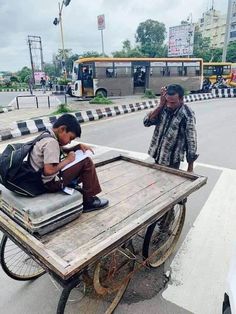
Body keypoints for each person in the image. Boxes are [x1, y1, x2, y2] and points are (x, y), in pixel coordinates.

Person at [29, 114, 109, 212]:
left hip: (39, 180)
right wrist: (68, 160)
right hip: (49, 184)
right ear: (62, 129)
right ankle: (88, 201)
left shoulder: (47, 135)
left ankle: (74, 186)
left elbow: (59, 151)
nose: (70, 142)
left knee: (79, 161)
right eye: (70, 138)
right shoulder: (51, 143)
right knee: (87, 162)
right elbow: (48, 171)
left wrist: (76, 147)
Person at [143, 84, 198, 172]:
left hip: (172, 161)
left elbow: (191, 140)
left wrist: (190, 168)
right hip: (157, 156)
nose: (169, 105)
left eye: (173, 102)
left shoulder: (187, 114)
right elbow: (146, 122)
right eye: (167, 101)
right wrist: (160, 105)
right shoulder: (163, 107)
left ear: (181, 99)